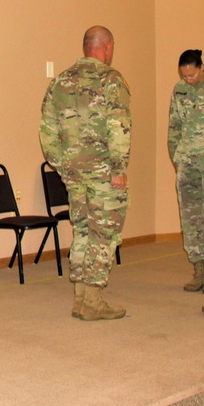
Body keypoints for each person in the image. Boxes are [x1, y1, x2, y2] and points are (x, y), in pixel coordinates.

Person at [40, 25, 131, 321]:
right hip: (104, 172)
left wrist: (62, 165)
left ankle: (80, 297)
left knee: (81, 230)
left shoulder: (61, 82)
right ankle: (92, 300)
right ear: (107, 47)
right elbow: (119, 128)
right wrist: (118, 168)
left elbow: (47, 131)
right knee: (102, 233)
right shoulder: (111, 80)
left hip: (73, 173)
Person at [167, 49, 204, 294]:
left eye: (192, 74)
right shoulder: (179, 90)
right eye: (184, 75)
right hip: (187, 164)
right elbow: (174, 126)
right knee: (191, 219)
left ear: (202, 67)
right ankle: (199, 270)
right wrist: (176, 157)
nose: (188, 79)